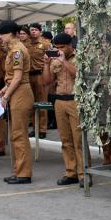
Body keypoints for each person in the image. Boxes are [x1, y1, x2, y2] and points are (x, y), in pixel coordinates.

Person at [43, 33, 85, 186]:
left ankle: (84, 173)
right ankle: (71, 172)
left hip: (75, 101)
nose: (59, 50)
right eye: (57, 47)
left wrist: (64, 61)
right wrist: (47, 64)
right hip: (60, 100)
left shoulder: (79, 56)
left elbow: (79, 75)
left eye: (62, 47)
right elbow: (47, 82)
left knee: (78, 139)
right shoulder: (54, 60)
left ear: (70, 46)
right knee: (65, 140)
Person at [0, 20, 34, 184]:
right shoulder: (13, 49)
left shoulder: (17, 50)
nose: (0, 37)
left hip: (21, 92)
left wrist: (5, 97)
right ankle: (18, 170)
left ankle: (24, 173)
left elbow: (18, 77)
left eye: (1, 34)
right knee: (15, 134)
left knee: (19, 134)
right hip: (16, 90)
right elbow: (12, 78)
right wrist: (3, 91)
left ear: (8, 33)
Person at [27, 22, 50, 139]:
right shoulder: (27, 44)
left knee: (42, 102)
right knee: (32, 102)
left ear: (40, 31)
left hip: (40, 75)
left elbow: (50, 60)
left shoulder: (45, 44)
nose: (33, 32)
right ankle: (34, 128)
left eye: (35, 30)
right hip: (29, 75)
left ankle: (42, 129)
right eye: (31, 30)